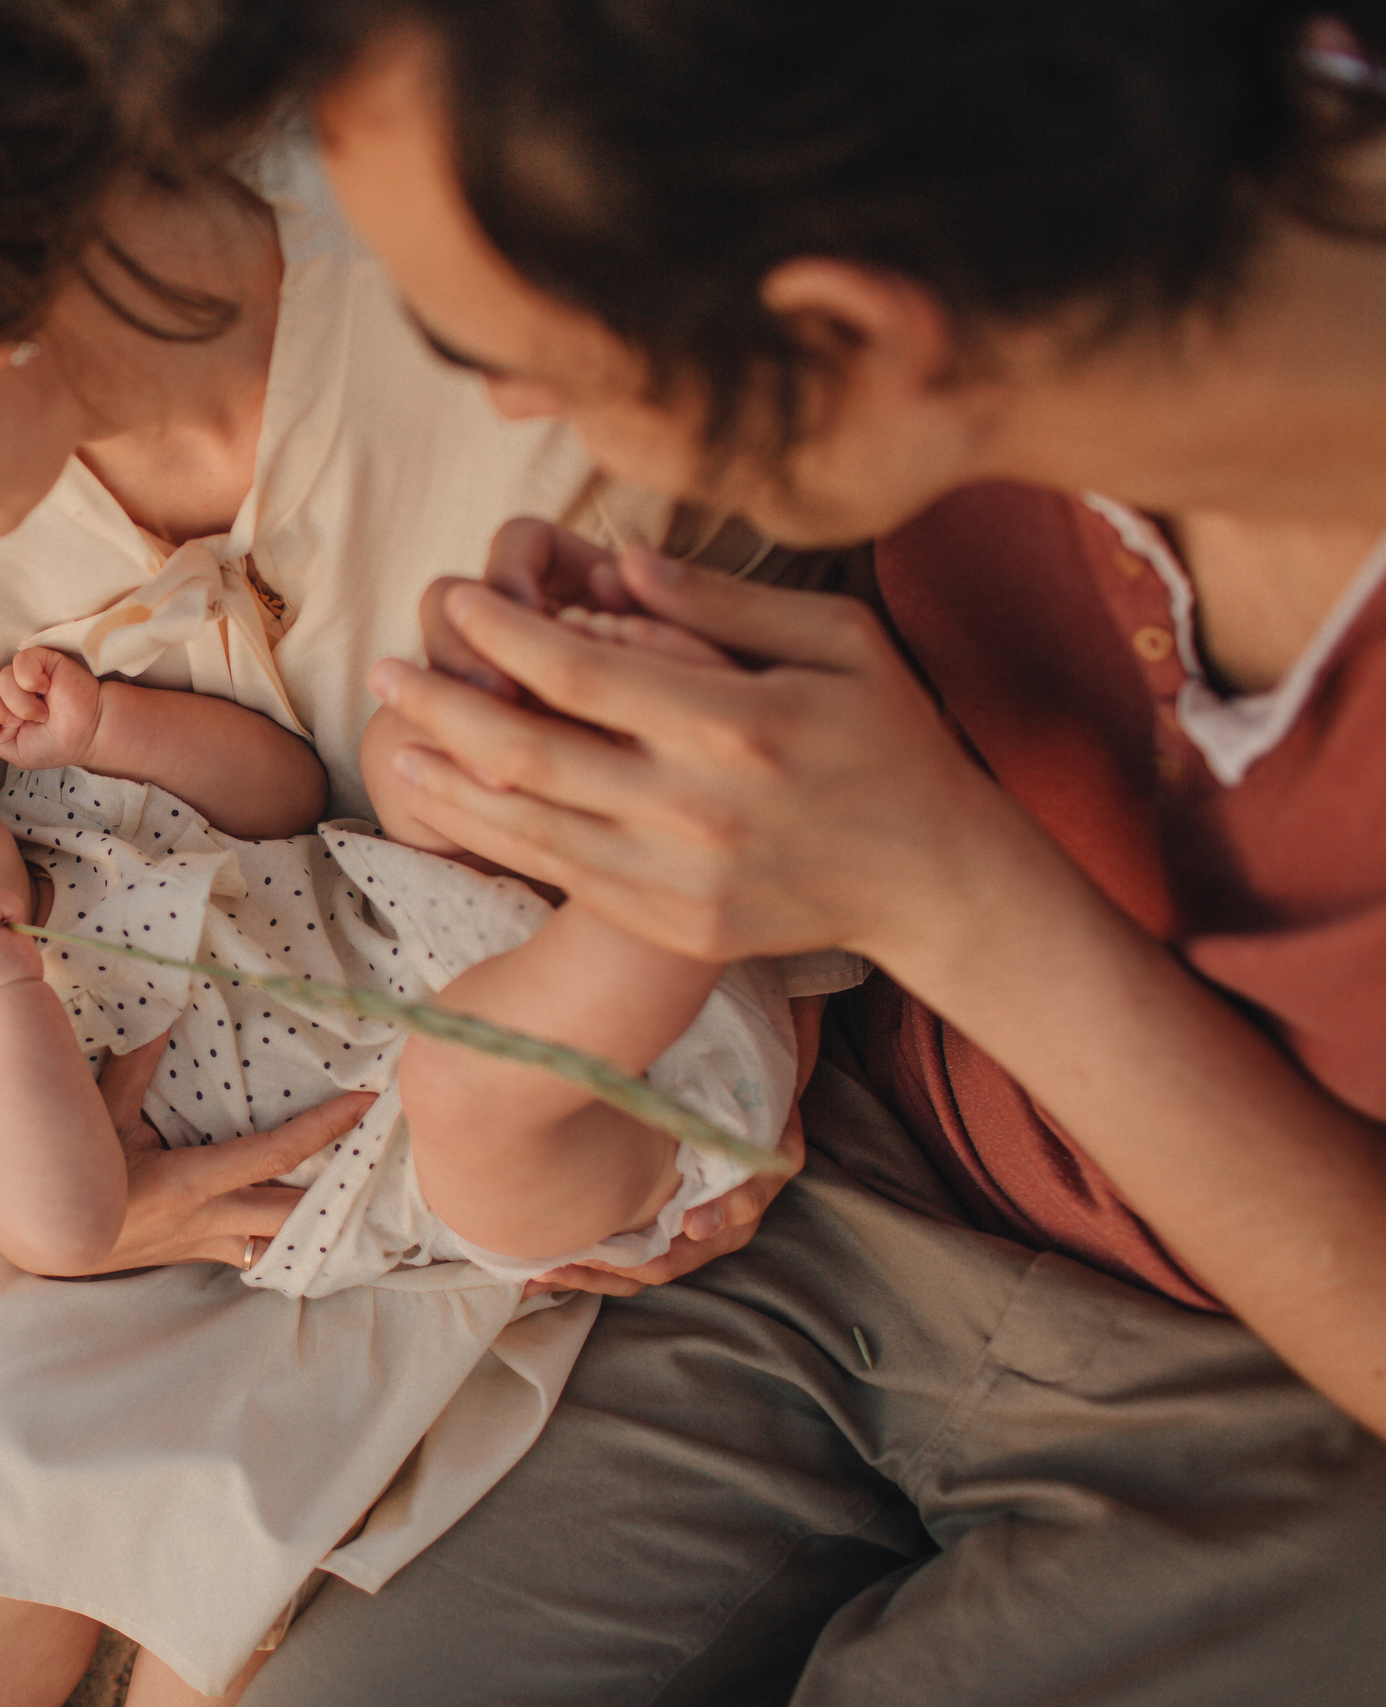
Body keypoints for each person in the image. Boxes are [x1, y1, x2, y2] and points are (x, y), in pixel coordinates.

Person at [0, 4, 850, 1700]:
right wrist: (75, 1223)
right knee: (13, 1448)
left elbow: (799, 722)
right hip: (179, 1144)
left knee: (233, 1597)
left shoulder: (499, 312)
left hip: (517, 1086)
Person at [116, 3, 1386, 1702]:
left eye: (529, 363)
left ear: (850, 332)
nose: (493, 411)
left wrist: (946, 886)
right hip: (826, 1182)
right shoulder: (1051, 208)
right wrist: (646, 744)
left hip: (1279, 1400)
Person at [0, 641, 796, 1695]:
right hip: (400, 1159)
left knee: (436, 808)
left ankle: (672, 966)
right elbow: (62, 1220)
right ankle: (655, 1106)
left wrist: (114, 725)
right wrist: (4, 991)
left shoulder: (67, 809)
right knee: (488, 1137)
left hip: (440, 950)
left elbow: (279, 793)